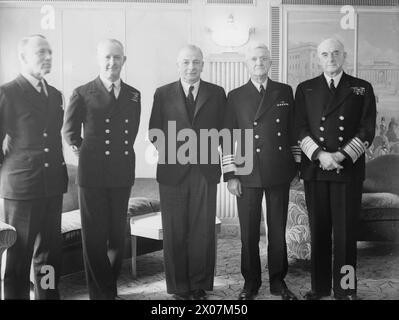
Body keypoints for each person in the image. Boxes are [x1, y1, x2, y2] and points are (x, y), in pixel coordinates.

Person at [295, 38, 376, 300]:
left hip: (347, 170)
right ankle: (319, 288)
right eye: (325, 54)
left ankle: (346, 288)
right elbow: (299, 128)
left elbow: (367, 129)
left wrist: (340, 155)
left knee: (345, 234)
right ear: (319, 58)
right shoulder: (305, 89)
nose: (331, 58)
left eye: (336, 53)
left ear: (344, 56)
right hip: (316, 169)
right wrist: (319, 155)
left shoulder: (361, 88)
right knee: (318, 230)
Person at [62, 39, 141, 300]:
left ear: (124, 60)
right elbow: (69, 132)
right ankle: (101, 293)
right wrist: (86, 151)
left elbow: (132, 132)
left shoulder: (133, 94)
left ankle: (109, 285)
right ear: (99, 59)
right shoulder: (83, 92)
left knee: (117, 236)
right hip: (92, 175)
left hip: (121, 173)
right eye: (107, 57)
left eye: (117, 57)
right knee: (94, 237)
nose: (112, 62)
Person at [222, 42, 300, 300]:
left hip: (279, 169)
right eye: (254, 59)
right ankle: (251, 283)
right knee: (249, 233)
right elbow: (226, 137)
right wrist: (231, 174)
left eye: (264, 59)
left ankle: (278, 282)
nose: (259, 63)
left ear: (270, 62)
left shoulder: (284, 91)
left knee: (278, 231)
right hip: (246, 171)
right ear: (247, 62)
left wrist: (296, 166)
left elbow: (293, 132)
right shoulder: (235, 95)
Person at [148, 45, 226, 300]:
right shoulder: (162, 93)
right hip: (172, 172)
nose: (191, 67)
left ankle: (199, 284)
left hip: (205, 170)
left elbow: (225, 133)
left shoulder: (217, 93)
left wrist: (231, 168)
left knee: (202, 231)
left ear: (203, 65)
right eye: (186, 62)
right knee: (175, 231)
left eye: (196, 62)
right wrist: (177, 154)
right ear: (178, 65)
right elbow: (154, 131)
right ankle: (179, 287)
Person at [0, 34, 68, 299]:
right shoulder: (8, 92)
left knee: (49, 255)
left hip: (52, 184)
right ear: (23, 57)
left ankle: (48, 297)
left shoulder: (56, 95)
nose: (48, 57)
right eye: (41, 52)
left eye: (50, 52)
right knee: (19, 256)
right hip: (22, 187)